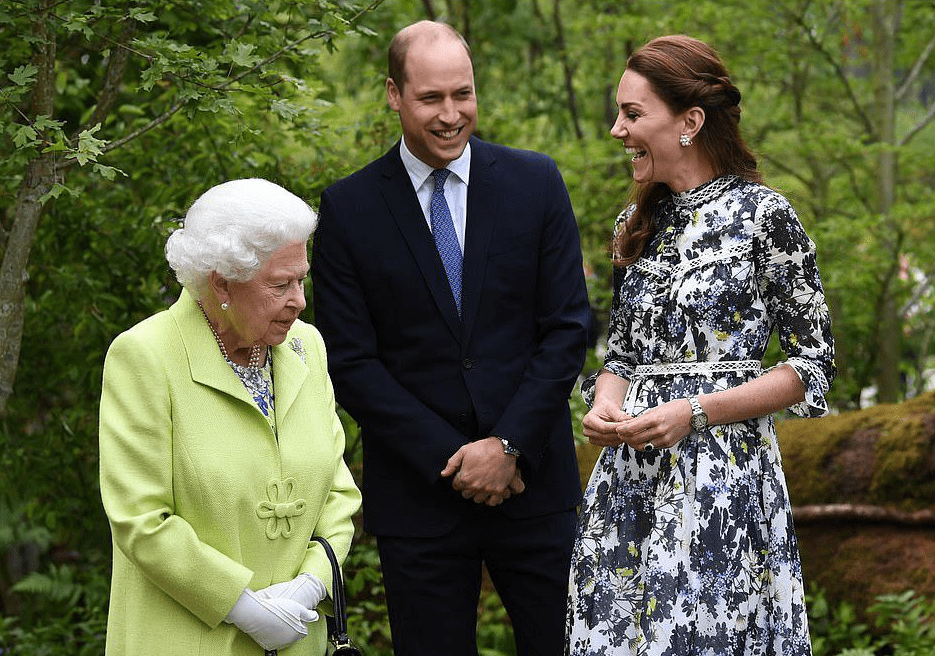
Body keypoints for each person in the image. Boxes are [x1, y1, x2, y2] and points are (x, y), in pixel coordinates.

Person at [310, 20, 591, 656]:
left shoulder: (535, 182)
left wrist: (509, 445)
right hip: (420, 498)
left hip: (535, 486)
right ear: (393, 94)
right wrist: (459, 460)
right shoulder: (348, 209)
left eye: (462, 95)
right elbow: (351, 362)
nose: (450, 114)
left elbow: (568, 327)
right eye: (431, 98)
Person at [566, 35, 835, 656]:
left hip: (723, 480)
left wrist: (696, 411)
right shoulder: (634, 226)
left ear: (689, 122)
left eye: (633, 115)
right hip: (630, 483)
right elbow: (623, 357)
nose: (616, 130)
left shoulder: (764, 216)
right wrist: (605, 404)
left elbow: (813, 367)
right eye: (618, 112)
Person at [99, 178, 362, 656]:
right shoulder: (145, 356)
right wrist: (243, 607)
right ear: (221, 283)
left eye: (301, 279)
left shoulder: (307, 346)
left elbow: (339, 493)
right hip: (187, 641)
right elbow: (142, 519)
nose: (299, 300)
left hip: (300, 637)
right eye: (280, 284)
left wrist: (311, 585)